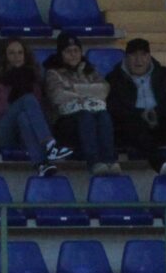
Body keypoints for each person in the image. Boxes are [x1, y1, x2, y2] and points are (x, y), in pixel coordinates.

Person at [0, 38, 69, 174]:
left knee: (23, 117)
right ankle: (49, 144)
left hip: (26, 133)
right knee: (27, 100)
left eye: (20, 52)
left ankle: (41, 164)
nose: (16, 56)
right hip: (3, 131)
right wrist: (12, 107)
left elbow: (39, 111)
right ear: (4, 56)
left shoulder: (33, 79)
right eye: (11, 53)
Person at [108, 37, 166, 176]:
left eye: (143, 55)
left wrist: (156, 112)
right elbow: (114, 108)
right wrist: (140, 114)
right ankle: (161, 165)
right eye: (134, 55)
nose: (139, 60)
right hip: (131, 129)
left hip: (160, 123)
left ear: (149, 57)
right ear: (126, 58)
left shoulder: (164, 74)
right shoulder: (115, 78)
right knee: (130, 121)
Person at [42, 31, 117, 176]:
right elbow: (57, 96)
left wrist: (75, 89)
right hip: (65, 123)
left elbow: (104, 90)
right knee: (86, 116)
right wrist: (89, 92)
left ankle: (109, 161)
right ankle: (94, 162)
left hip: (92, 120)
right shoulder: (53, 73)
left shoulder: (90, 71)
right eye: (68, 51)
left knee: (104, 116)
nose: (73, 55)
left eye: (76, 50)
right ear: (61, 54)